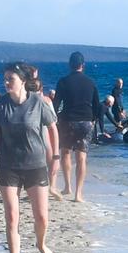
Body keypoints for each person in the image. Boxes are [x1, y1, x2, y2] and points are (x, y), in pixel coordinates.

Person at [0, 62, 59, 253]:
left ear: (22, 81)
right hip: (7, 166)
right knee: (12, 216)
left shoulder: (38, 102)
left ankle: (41, 245)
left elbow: (52, 128)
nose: (5, 83)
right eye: (4, 79)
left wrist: (55, 155)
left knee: (41, 217)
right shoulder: (0, 105)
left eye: (10, 79)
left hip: (35, 165)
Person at [51, 51, 101, 202]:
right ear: (82, 65)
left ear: (70, 65)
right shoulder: (91, 82)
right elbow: (97, 105)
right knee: (82, 157)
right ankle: (78, 194)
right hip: (86, 122)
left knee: (65, 152)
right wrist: (93, 120)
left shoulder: (63, 81)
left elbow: (56, 103)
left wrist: (54, 119)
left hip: (68, 121)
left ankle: (67, 187)